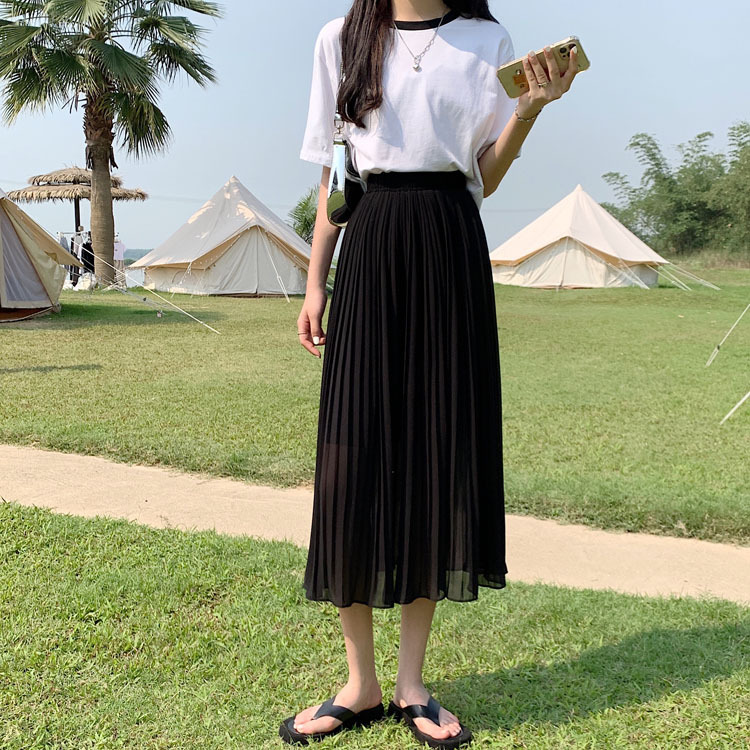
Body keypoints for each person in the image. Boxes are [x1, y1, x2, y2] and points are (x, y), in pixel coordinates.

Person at [282, 1, 579, 746]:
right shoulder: (340, 38)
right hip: (370, 239)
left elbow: (486, 175)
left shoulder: (486, 41)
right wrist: (315, 282)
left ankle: (411, 685)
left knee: (435, 452)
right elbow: (334, 175)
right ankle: (359, 683)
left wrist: (531, 108)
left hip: (450, 244)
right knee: (351, 458)